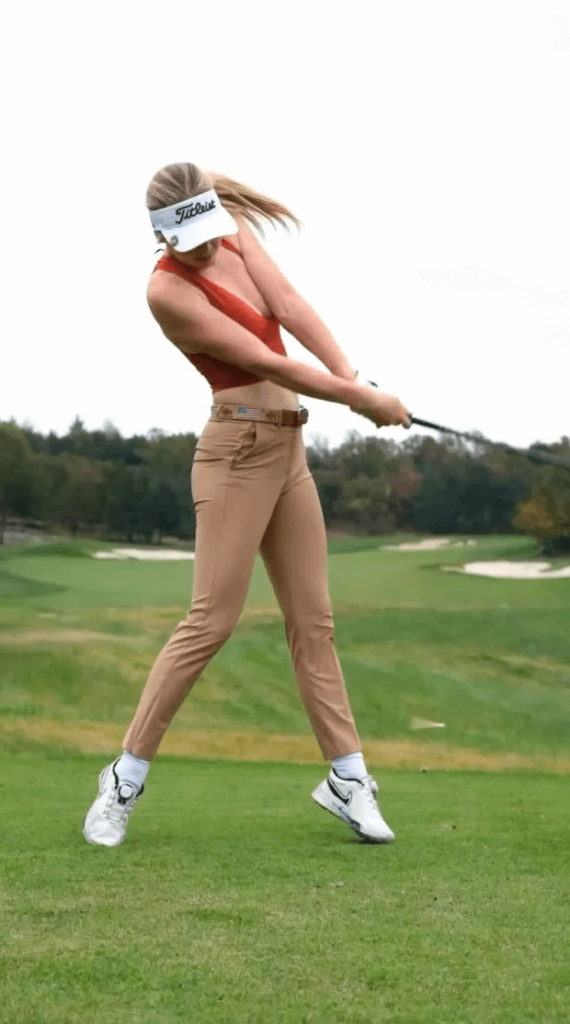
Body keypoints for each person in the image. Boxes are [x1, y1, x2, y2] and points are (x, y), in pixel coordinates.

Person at [83, 162, 410, 848]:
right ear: (165, 239)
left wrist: (352, 377)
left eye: (211, 231)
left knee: (313, 622)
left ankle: (349, 781)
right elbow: (274, 364)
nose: (209, 247)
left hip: (291, 454)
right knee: (210, 622)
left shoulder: (231, 238)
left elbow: (289, 307)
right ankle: (123, 779)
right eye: (192, 240)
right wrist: (362, 400)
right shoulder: (166, 293)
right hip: (234, 455)